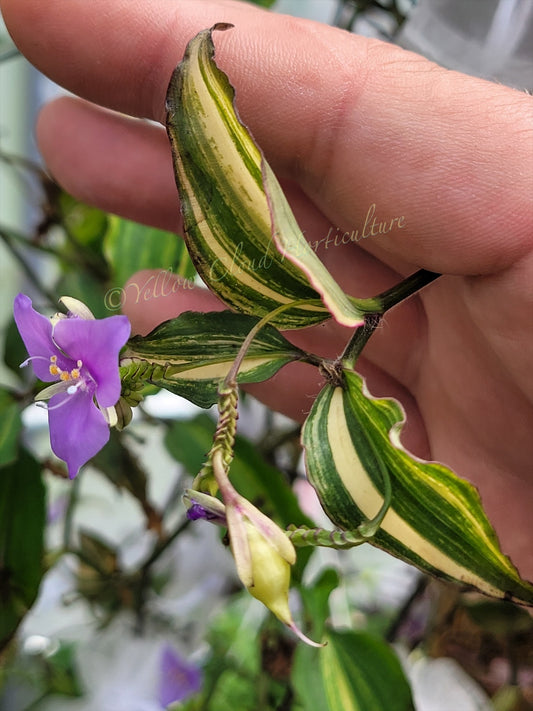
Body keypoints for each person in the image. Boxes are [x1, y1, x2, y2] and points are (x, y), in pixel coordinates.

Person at [2, 0, 533, 579]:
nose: (66, 374)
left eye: (69, 371)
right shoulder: (96, 374)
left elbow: (109, 346)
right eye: (71, 377)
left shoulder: (101, 360)